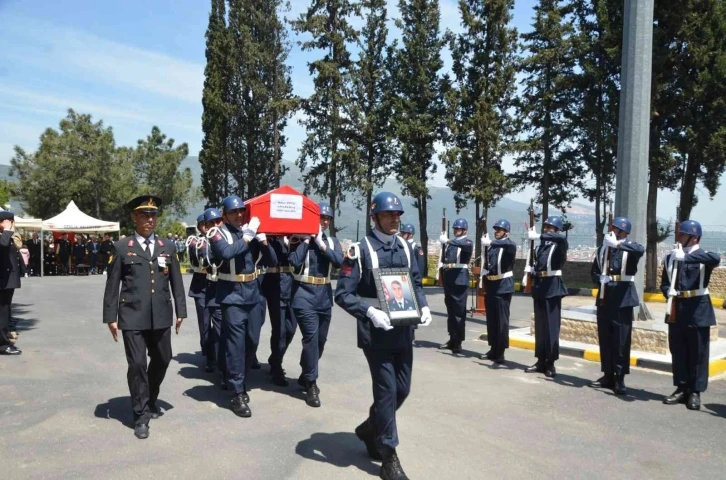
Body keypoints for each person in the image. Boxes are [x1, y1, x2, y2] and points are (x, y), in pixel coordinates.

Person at [335, 191, 432, 480]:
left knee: (402, 390)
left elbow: (415, 283)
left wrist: (423, 307)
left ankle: (368, 429)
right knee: (387, 391)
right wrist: (369, 312)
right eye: (389, 215)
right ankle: (388, 456)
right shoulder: (360, 249)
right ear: (374, 217)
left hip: (403, 330)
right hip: (376, 333)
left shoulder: (404, 245)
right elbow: (343, 294)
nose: (395, 220)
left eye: (398, 215)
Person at [102, 195, 187, 439]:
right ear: (134, 217)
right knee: (137, 364)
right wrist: (111, 316)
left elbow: (176, 282)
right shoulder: (122, 247)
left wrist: (181, 311)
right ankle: (141, 415)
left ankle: (149, 395)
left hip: (161, 314)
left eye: (153, 215)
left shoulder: (167, 247)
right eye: (144, 215)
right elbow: (112, 285)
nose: (150, 220)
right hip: (132, 315)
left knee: (164, 357)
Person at [207, 195, 277, 418]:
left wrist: (263, 240)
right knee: (235, 344)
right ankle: (237, 391)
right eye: (233, 212)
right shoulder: (217, 233)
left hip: (253, 294)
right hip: (232, 296)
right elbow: (226, 253)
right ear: (225, 215)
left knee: (252, 340)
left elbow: (272, 261)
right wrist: (247, 237)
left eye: (241, 212)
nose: (238, 216)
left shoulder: (250, 231)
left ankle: (238, 378)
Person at [661, 219, 720, 410]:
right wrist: (667, 292)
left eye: (683, 234)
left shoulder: (703, 256)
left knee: (698, 353)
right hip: (677, 308)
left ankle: (695, 391)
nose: (679, 238)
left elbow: (715, 259)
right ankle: (681, 387)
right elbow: (664, 282)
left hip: (698, 308)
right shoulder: (671, 258)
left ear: (694, 238)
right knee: (678, 351)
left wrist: (686, 258)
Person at [288, 202, 343, 407]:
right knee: (310, 338)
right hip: (303, 294)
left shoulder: (332, 241)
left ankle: (306, 372)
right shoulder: (299, 238)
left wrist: (322, 245)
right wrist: (307, 241)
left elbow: (339, 261)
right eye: (321, 218)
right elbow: (293, 260)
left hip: (324, 295)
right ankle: (311, 383)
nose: (325, 221)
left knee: (320, 341)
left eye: (327, 218)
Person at [589, 217, 645, 395]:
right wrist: (600, 279)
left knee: (621, 340)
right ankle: (607, 375)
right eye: (611, 228)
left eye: (616, 229)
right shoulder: (602, 249)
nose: (611, 231)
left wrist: (618, 245)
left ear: (624, 232)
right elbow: (594, 273)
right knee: (605, 338)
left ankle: (620, 378)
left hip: (623, 297)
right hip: (605, 297)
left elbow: (640, 249)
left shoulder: (630, 248)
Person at [525, 216, 569, 378]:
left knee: (551, 327)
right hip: (540, 286)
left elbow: (561, 238)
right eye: (545, 227)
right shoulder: (541, 247)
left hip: (553, 287)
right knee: (541, 327)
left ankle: (551, 362)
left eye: (550, 227)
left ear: (557, 230)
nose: (546, 230)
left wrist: (539, 236)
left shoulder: (560, 244)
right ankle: (541, 360)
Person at [479, 219, 517, 364]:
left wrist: (490, 242)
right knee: (492, 320)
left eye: (499, 230)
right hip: (491, 284)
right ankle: (493, 348)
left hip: (503, 286)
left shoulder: (509, 245)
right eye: (495, 229)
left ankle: (500, 351)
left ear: (506, 232)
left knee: (502, 321)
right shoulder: (493, 247)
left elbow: (509, 244)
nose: (496, 232)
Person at [264, 235, 297, 387]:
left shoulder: (295, 238)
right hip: (275, 285)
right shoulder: (271, 238)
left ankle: (275, 358)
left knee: (290, 329)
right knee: (280, 330)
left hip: (293, 286)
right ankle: (276, 366)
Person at [438, 218, 473, 354]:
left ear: (464, 230)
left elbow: (463, 244)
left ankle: (458, 341)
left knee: (459, 312)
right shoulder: (452, 244)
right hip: (449, 278)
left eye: (458, 229)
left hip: (460, 278)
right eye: (455, 229)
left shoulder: (467, 242)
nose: (456, 231)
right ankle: (452, 338)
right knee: (451, 312)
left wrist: (446, 240)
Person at [202, 207, 225, 385]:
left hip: (233, 290)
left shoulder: (231, 237)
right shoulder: (205, 243)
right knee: (218, 331)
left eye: (218, 221)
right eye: (211, 223)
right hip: (215, 289)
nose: (216, 225)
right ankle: (221, 367)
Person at [188, 214, 213, 371]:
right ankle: (209, 357)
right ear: (198, 226)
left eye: (209, 223)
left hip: (217, 285)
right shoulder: (195, 241)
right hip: (201, 286)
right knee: (205, 324)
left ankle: (217, 354)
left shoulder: (219, 239)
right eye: (203, 224)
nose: (206, 226)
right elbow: (200, 259)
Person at [0, 211, 22, 355]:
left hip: (7, 279)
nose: (11, 224)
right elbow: (2, 246)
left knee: (5, 311)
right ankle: (2, 345)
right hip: (2, 279)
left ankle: (4, 337)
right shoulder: (4, 236)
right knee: (1, 312)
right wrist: (7, 230)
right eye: (8, 221)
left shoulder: (7, 235)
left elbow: (16, 246)